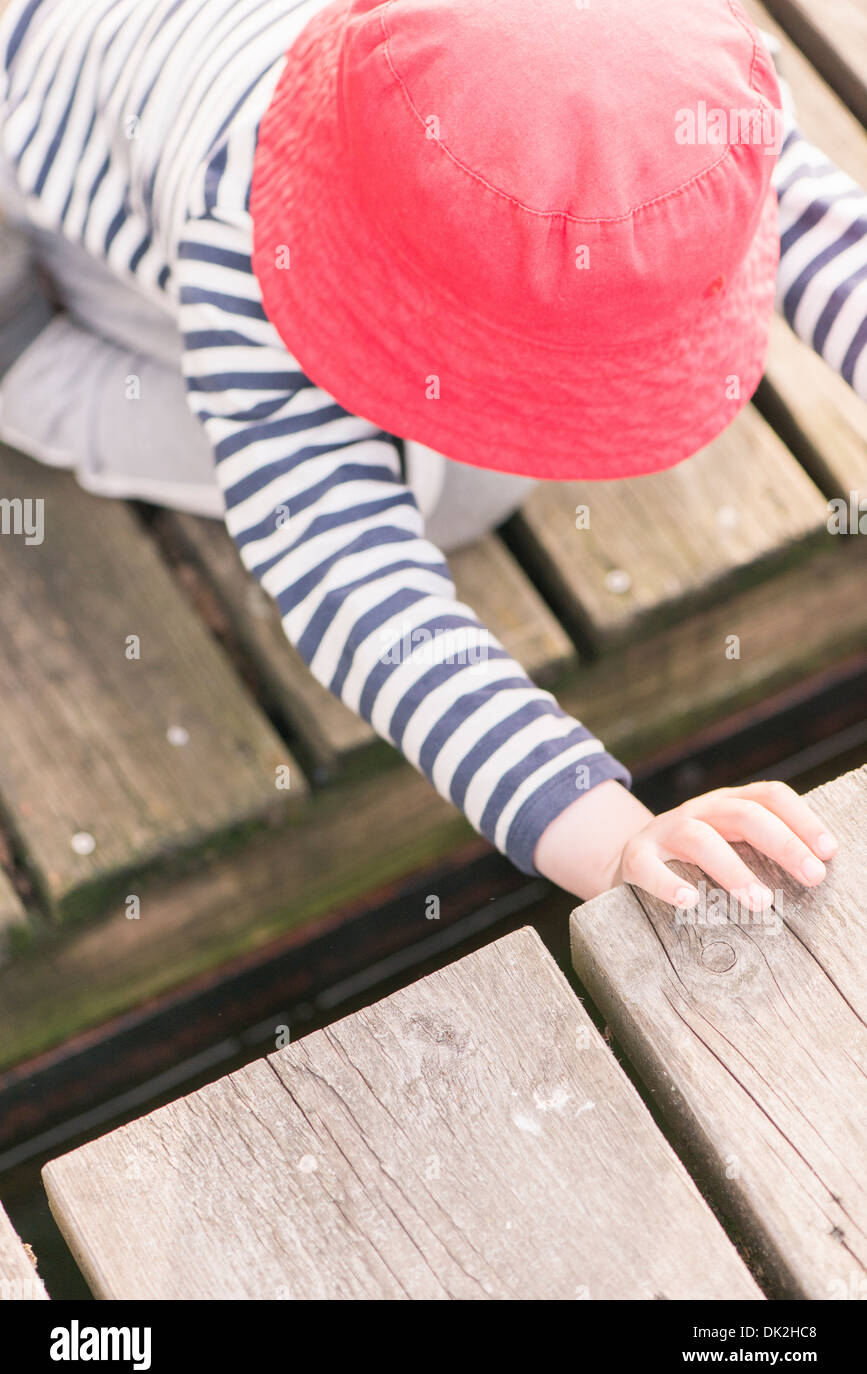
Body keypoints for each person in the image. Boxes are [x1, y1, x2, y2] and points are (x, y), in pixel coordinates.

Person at [1, 0, 859, 911]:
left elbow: (831, 240)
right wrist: (615, 843)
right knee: (455, 497)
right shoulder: (248, 244)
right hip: (35, 154)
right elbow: (349, 574)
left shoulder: (694, 91)